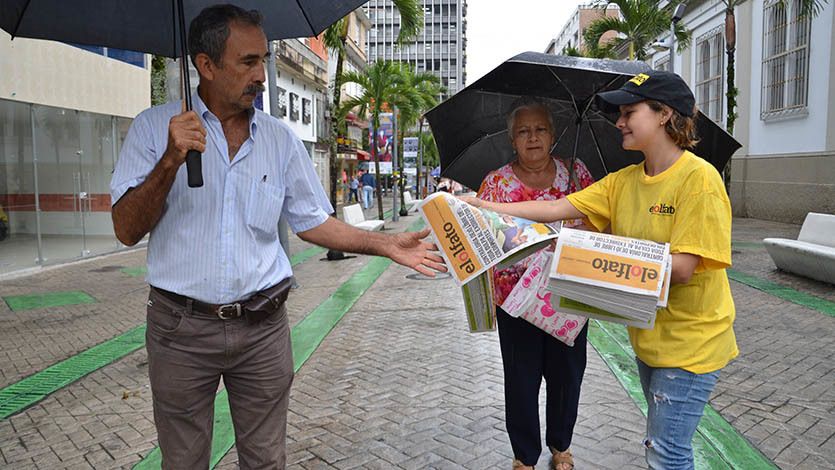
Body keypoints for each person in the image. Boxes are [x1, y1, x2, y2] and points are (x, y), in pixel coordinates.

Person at [109, 5, 446, 469]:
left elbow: (312, 222)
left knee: (267, 460)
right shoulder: (154, 129)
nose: (261, 75)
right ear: (205, 66)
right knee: (183, 461)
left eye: (263, 60)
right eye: (247, 62)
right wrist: (170, 159)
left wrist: (385, 244)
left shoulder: (279, 139)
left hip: (262, 329)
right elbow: (126, 229)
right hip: (180, 330)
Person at [465, 70, 738, 470]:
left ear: (663, 114)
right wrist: (486, 207)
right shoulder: (623, 182)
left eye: (629, 112)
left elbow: (681, 269)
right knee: (666, 446)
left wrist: (594, 260)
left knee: (667, 452)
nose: (620, 122)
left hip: (692, 343)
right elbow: (557, 208)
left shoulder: (699, 180)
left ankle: (560, 445)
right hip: (650, 338)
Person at [476, 97, 595, 470]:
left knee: (567, 376)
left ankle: (561, 446)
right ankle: (524, 455)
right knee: (521, 380)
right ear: (512, 139)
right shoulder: (495, 184)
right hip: (515, 300)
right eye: (523, 131)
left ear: (553, 135)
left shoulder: (577, 175)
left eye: (540, 129)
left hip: (567, 296)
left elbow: (597, 223)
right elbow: (480, 237)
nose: (532, 138)